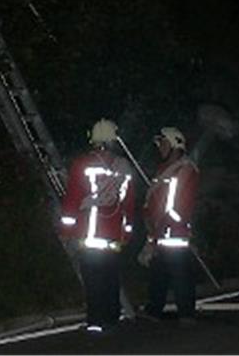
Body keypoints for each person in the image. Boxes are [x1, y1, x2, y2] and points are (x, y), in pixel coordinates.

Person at [59, 119, 135, 333]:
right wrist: (126, 234)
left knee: (93, 280)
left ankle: (96, 321)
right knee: (111, 277)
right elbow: (128, 205)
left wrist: (66, 230)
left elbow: (72, 201)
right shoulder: (123, 167)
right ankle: (112, 317)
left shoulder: (82, 164)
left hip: (90, 236)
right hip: (113, 237)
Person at [139, 126, 199, 323]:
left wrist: (162, 225)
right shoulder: (163, 170)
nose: (160, 147)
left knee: (180, 274)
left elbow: (178, 206)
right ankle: (154, 310)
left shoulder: (185, 170)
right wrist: (149, 219)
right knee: (159, 273)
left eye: (163, 143)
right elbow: (154, 201)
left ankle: (186, 313)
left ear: (174, 145)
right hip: (160, 232)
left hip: (174, 232)